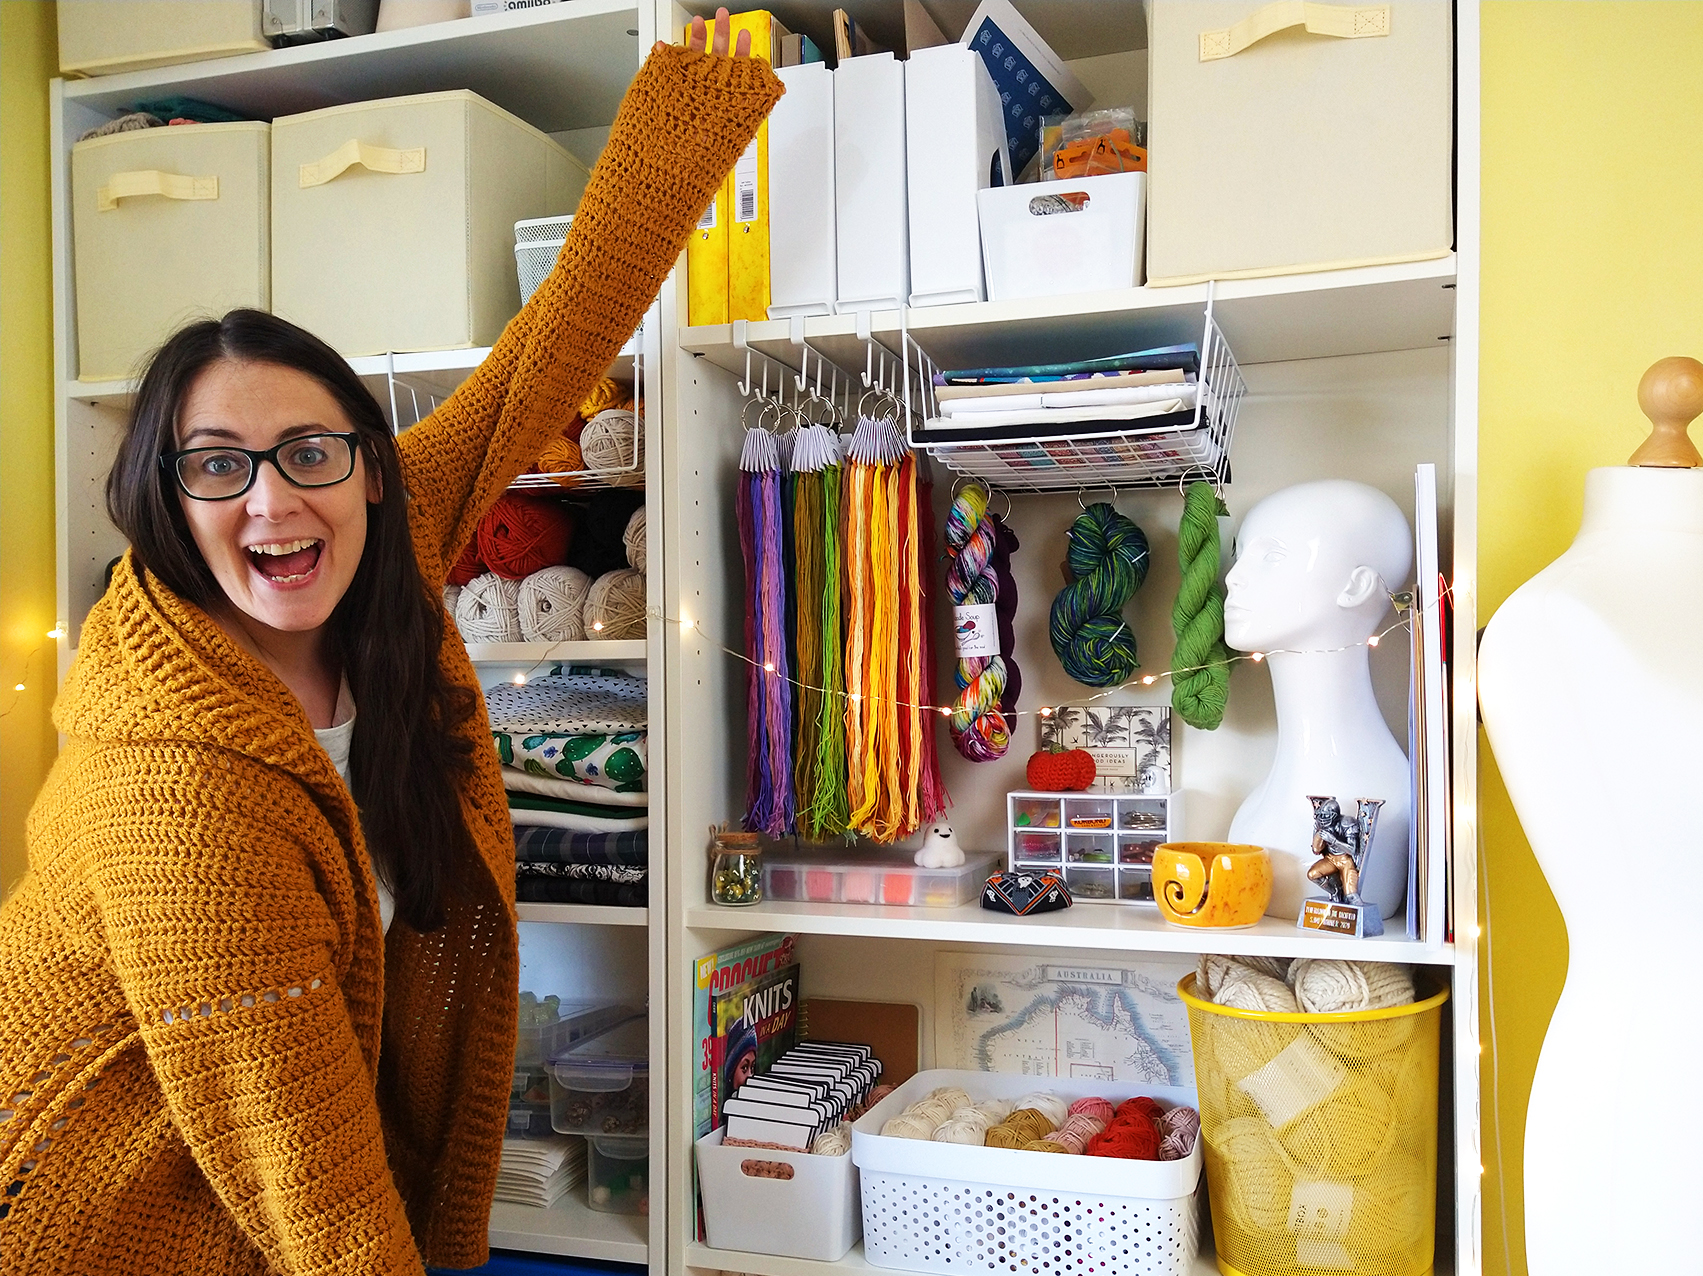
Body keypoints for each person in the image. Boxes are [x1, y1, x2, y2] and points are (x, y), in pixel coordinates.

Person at [0, 16, 779, 1274]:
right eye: (218, 466)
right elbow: (310, 1181)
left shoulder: (381, 532)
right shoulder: (177, 792)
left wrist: (698, 93)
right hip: (104, 1215)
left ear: (368, 466)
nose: (272, 501)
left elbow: (546, 353)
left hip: (244, 1180)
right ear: (160, 493)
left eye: (309, 452)